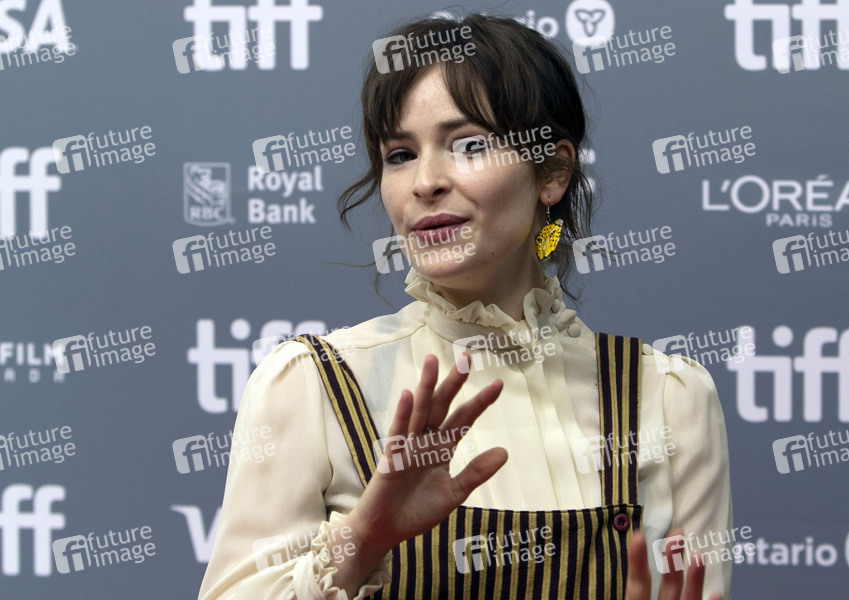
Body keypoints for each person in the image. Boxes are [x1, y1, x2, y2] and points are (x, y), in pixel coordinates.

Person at [198, 13, 732, 600]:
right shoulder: (314, 384)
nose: (425, 181)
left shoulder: (667, 397)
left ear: (553, 172)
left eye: (469, 145)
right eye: (399, 154)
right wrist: (362, 539)